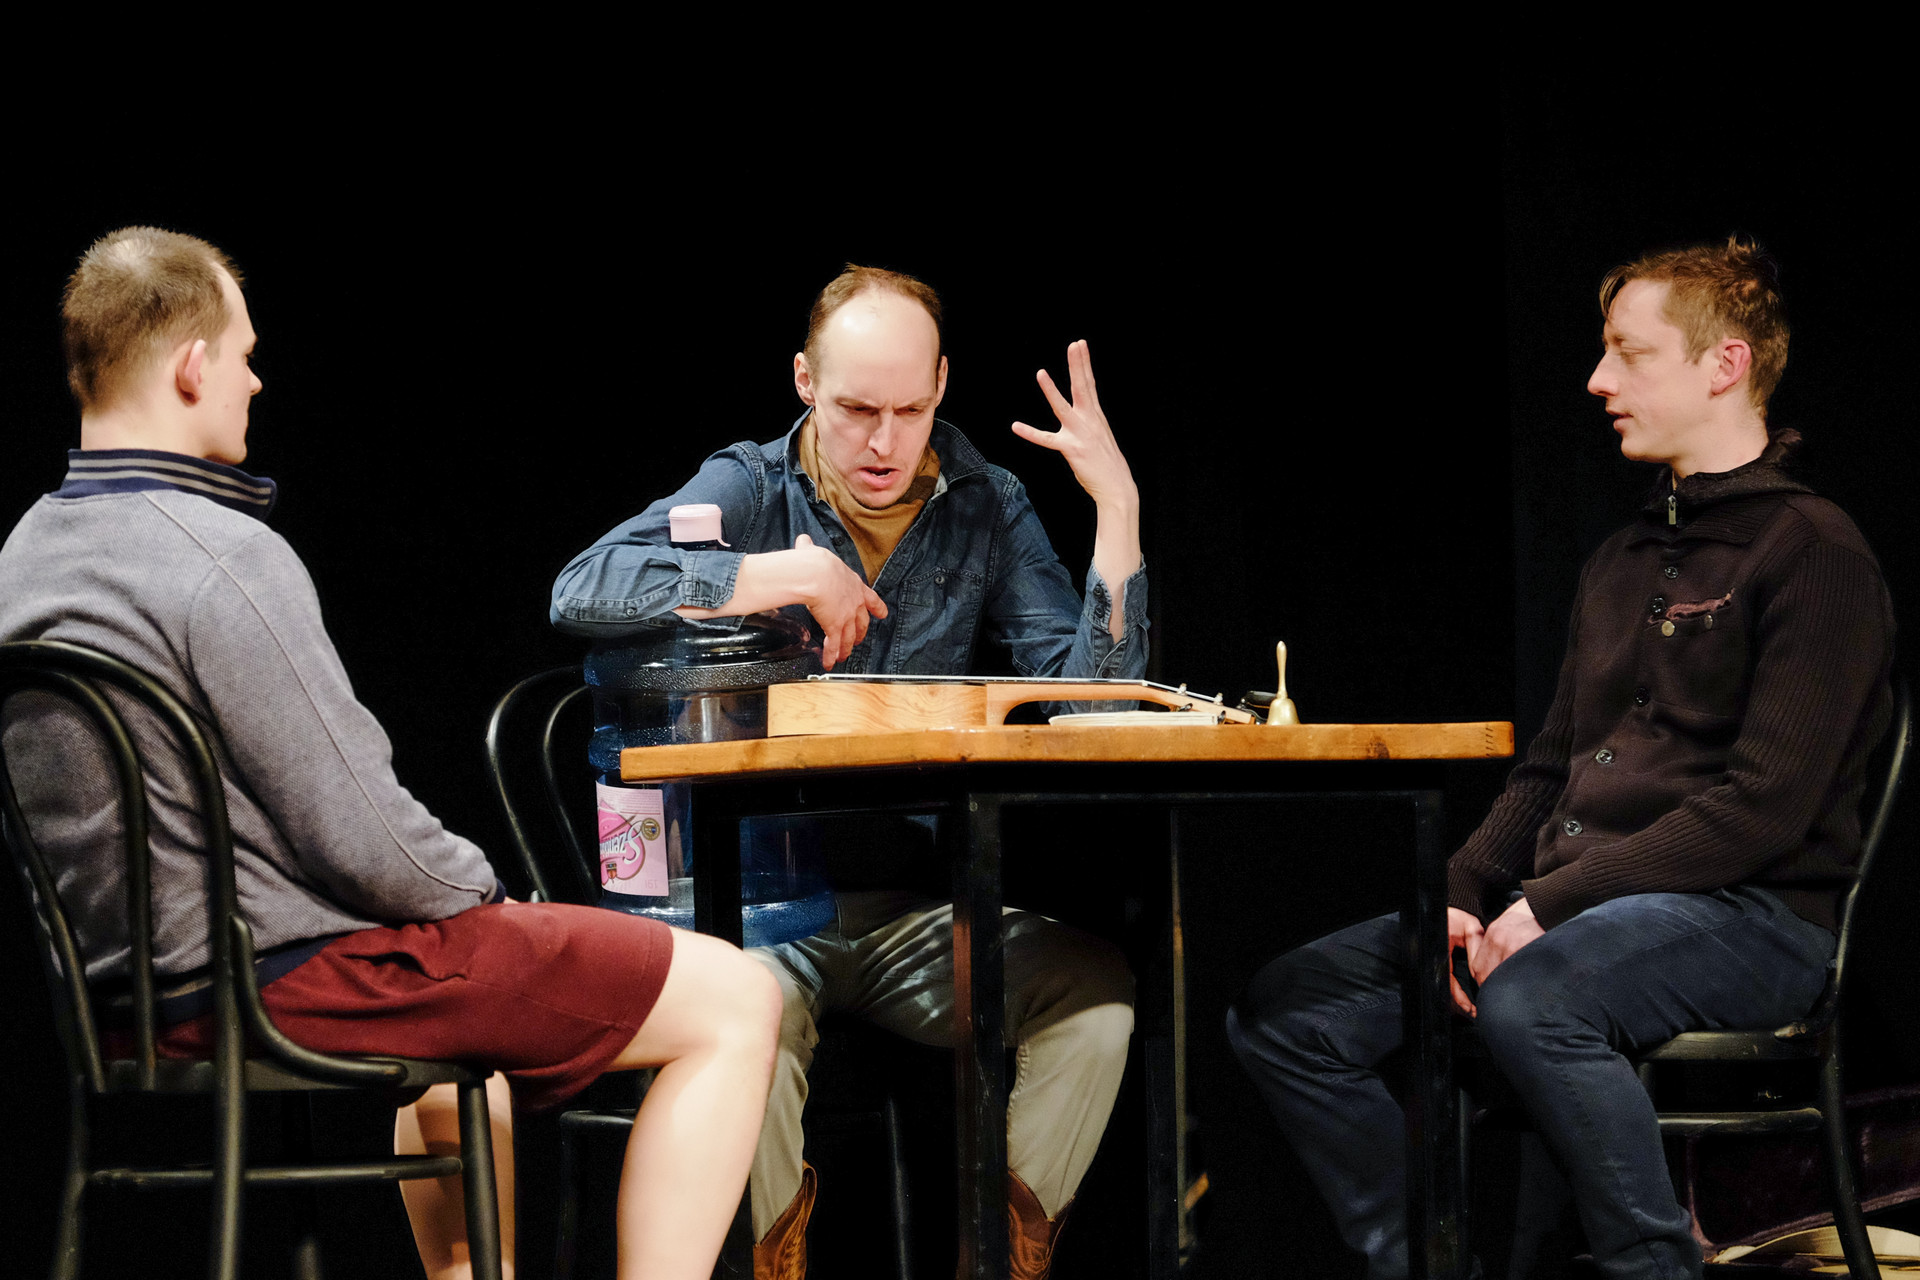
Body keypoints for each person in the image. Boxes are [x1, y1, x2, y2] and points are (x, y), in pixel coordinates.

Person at [0, 226, 782, 1280]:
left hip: (123, 1007)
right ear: (190, 365)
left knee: (476, 1017)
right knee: (735, 996)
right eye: (243, 355)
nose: (254, 380)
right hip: (279, 983)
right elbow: (363, 837)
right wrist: (482, 896)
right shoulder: (220, 557)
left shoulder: (25, 554)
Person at [1226, 238, 1895, 1280]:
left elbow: (1761, 807)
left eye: (1631, 353)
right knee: (1289, 1006)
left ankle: (1655, 1268)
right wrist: (1462, 889)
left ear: (1723, 365)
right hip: (1581, 909)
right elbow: (1549, 769)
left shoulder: (1814, 552)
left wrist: (1550, 904)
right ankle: (1425, 1261)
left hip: (1755, 917)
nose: (1597, 379)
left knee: (1535, 996)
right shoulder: (1622, 558)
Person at [551, 265, 1147, 1278]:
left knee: (1094, 994)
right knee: (743, 1016)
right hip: (754, 911)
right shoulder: (753, 485)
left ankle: (1000, 1263)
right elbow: (582, 589)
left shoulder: (986, 503)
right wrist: (774, 571)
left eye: (909, 411)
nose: (883, 442)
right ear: (804, 384)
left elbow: (1099, 709)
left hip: (908, 908)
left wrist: (1118, 511)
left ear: (942, 386)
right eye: (856, 410)